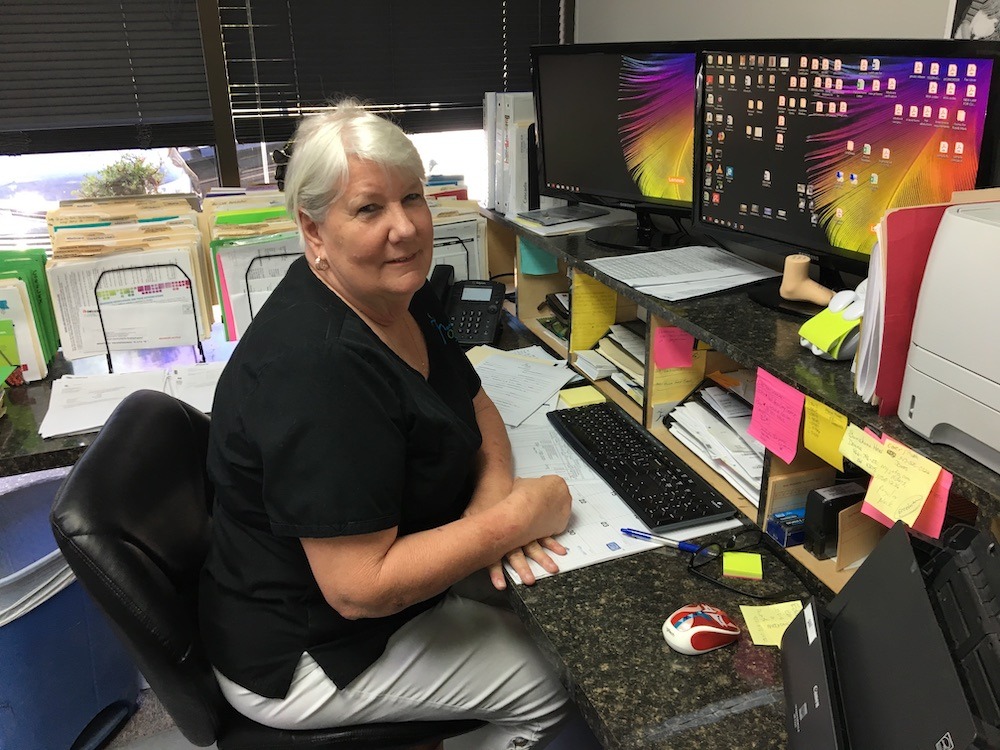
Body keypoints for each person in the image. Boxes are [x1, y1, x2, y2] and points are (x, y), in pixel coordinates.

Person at [198, 99, 577, 750]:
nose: (405, 228)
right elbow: (358, 590)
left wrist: (489, 515)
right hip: (310, 648)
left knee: (559, 610)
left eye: (413, 197)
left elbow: (473, 400)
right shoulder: (319, 371)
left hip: (365, 590)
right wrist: (511, 522)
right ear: (314, 232)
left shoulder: (392, 289)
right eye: (369, 208)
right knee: (557, 681)